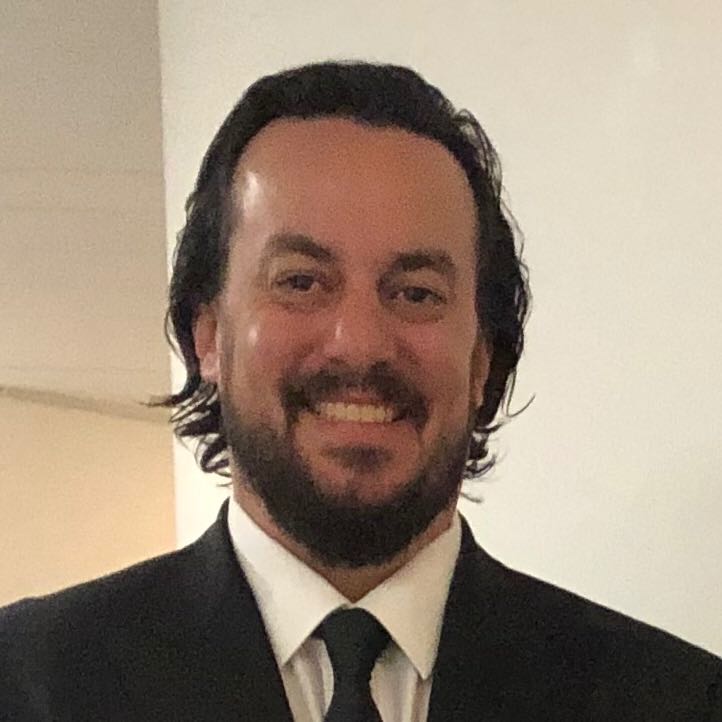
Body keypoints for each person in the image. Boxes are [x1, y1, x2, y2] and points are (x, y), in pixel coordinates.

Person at [0, 61, 719, 722]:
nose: (360, 343)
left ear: (482, 361)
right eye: (301, 282)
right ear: (208, 334)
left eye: (416, 292)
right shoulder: (29, 684)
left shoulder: (678, 701)